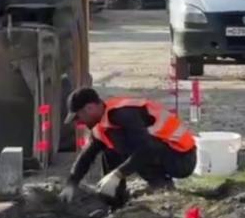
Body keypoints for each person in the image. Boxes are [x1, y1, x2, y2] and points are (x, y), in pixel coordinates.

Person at [58, 87, 197, 208]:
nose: (79, 122)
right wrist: (71, 184)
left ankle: (162, 186)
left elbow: (146, 148)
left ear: (89, 108)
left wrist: (117, 174)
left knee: (127, 145)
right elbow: (86, 156)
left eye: (79, 117)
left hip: (182, 158)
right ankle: (116, 203)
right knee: (108, 146)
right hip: (165, 152)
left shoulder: (123, 114)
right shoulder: (103, 126)